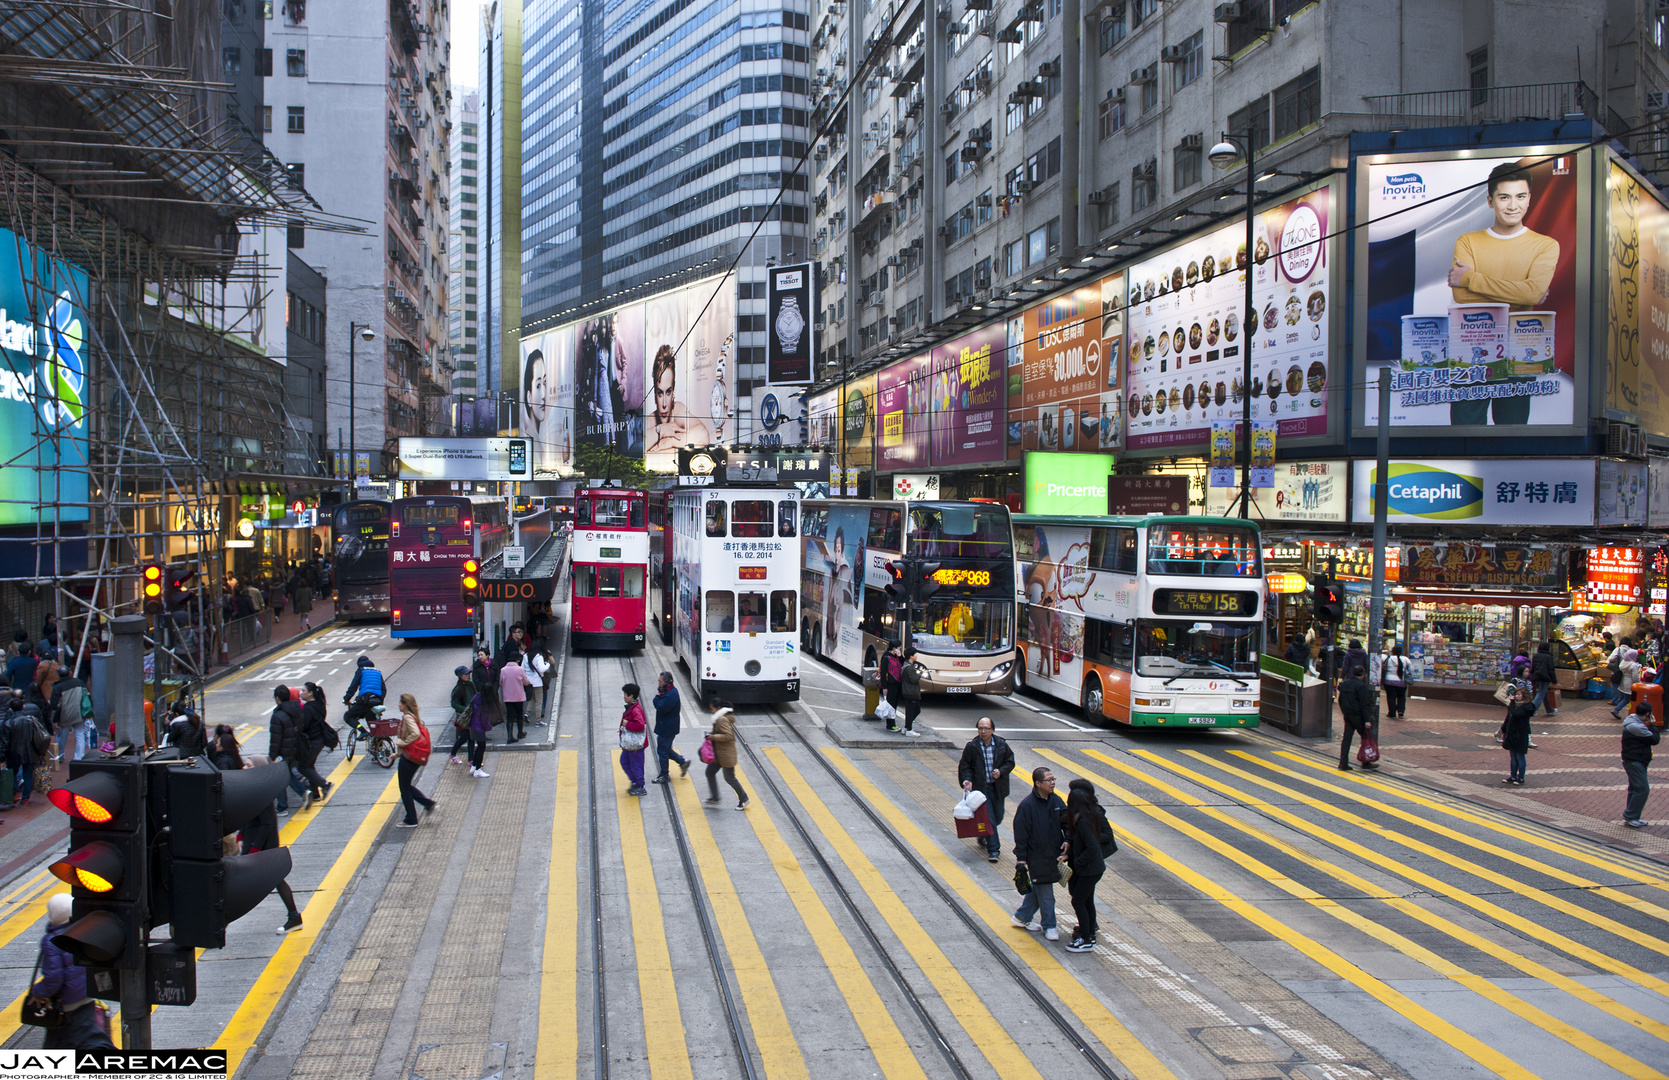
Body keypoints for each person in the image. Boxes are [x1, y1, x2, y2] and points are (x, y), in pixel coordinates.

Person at [1447, 161, 1560, 426]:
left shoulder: (1545, 245)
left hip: (1520, 347)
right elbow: (1462, 297)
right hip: (1471, 344)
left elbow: (1533, 293)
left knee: (1512, 432)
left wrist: (1471, 279)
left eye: (1520, 196)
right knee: (1464, 432)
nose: (1513, 205)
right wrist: (1521, 293)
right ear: (1490, 201)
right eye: (1504, 197)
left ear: (1529, 199)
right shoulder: (1468, 241)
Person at [32, 893, 114, 1051]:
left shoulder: (52, 941)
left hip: (70, 1001)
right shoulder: (83, 931)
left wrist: (38, 992)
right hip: (87, 994)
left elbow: (54, 979)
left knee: (88, 1042)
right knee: (60, 1042)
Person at [236, 760, 305, 935]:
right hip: (255, 844)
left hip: (263, 845)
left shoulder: (261, 792)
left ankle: (295, 916)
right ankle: (294, 916)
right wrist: (240, 835)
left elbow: (266, 823)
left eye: (249, 765)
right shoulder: (251, 788)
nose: (244, 767)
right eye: (245, 764)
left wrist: (255, 849)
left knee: (272, 880)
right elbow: (246, 814)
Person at [1011, 766, 1067, 941]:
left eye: (1053, 779)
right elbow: (1021, 834)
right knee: (1046, 893)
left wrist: (1068, 840)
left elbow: (1067, 822)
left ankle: (1022, 917)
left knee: (1039, 887)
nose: (1052, 783)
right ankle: (1049, 926)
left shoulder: (1056, 801)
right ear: (1038, 783)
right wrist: (1021, 859)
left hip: (1053, 855)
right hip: (1037, 856)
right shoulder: (1027, 806)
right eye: (1049, 780)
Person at [1064, 778, 1115, 953]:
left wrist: (1078, 861)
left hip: (1089, 869)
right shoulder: (1087, 816)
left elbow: (1092, 846)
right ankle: (1090, 932)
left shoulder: (1084, 821)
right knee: (1085, 900)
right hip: (1092, 869)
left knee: (1078, 901)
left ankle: (1086, 939)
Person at [958, 716, 1015, 862]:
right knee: (989, 819)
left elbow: (1010, 761)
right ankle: (994, 850)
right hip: (981, 790)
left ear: (992, 730)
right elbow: (965, 766)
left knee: (998, 817)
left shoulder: (1001, 744)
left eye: (986, 728)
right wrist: (967, 780)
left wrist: (1001, 771)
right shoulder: (973, 746)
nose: (983, 731)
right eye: (980, 728)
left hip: (997, 788)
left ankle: (983, 834)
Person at [393, 693, 437, 827]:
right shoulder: (413, 717)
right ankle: (427, 805)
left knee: (404, 787)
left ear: (406, 705)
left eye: (400, 703)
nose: (398, 705)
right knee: (406, 786)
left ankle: (411, 819)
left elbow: (415, 734)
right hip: (412, 756)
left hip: (409, 757)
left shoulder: (407, 718)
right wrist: (396, 755)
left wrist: (402, 743)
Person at [268, 685, 307, 816]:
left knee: (279, 778)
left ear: (277, 698)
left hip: (282, 752)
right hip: (294, 749)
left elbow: (275, 739)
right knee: (288, 775)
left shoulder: (277, 715)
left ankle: (282, 807)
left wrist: (272, 756)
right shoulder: (296, 710)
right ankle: (304, 792)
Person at [703, 698, 748, 810]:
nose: (711, 711)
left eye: (712, 709)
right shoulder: (720, 718)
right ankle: (715, 797)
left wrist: (713, 737)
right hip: (719, 754)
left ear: (718, 708)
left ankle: (744, 798)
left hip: (726, 755)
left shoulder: (722, 720)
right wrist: (712, 734)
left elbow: (729, 736)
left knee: (730, 778)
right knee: (710, 772)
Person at [1623, 701, 1661, 828]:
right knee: (1642, 789)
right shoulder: (1638, 727)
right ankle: (1630, 816)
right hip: (1634, 761)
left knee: (1635, 788)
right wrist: (1653, 725)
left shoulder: (1632, 720)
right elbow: (1655, 739)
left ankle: (1633, 816)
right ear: (1648, 714)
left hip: (1637, 760)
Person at [295, 682, 334, 809]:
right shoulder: (320, 704)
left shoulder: (307, 708)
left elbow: (303, 726)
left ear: (310, 693)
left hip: (312, 741)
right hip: (320, 739)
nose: (301, 693)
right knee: (309, 765)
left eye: (303, 690)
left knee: (302, 767)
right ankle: (316, 794)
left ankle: (325, 784)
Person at [651, 671, 689, 784]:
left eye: (660, 681)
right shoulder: (667, 691)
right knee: (666, 749)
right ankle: (682, 762)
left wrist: (657, 698)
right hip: (666, 726)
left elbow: (661, 707)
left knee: (662, 750)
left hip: (667, 728)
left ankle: (664, 775)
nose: (658, 684)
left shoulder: (670, 694)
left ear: (667, 682)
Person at [1337, 664, 1377, 771]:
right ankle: (1366, 761)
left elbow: (1340, 699)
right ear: (1363, 674)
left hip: (1348, 715)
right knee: (1365, 737)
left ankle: (1343, 763)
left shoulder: (1345, 684)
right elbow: (1363, 705)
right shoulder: (1361, 686)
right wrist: (1367, 720)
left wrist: (1344, 712)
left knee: (1346, 738)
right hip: (1357, 715)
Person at [342, 655, 386, 737]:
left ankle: (363, 731)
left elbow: (353, 687)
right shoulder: (378, 672)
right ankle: (378, 745)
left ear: (359, 663)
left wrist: (346, 698)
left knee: (348, 716)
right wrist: (380, 702)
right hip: (376, 701)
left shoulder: (361, 670)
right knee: (371, 722)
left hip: (365, 700)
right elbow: (383, 690)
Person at [1500, 684, 1535, 786]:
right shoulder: (1514, 705)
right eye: (1516, 694)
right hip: (1512, 734)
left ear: (1524, 695)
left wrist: (1511, 703)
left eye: (1519, 694)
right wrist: (1503, 729)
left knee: (1520, 756)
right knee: (1513, 757)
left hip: (1520, 735)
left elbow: (1516, 714)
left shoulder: (1526, 707)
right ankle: (1513, 776)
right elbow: (1509, 718)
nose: (1517, 696)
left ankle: (1521, 778)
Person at [619, 683, 649, 796]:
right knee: (625, 761)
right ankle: (635, 781)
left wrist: (627, 724)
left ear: (632, 696)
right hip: (630, 744)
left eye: (626, 694)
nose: (624, 697)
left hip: (636, 744)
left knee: (636, 764)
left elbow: (640, 726)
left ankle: (640, 786)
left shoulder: (635, 710)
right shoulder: (632, 707)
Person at [499, 653, 532, 744]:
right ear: (517, 660)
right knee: (519, 714)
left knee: (510, 717)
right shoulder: (520, 669)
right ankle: (520, 733)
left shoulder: (503, 670)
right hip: (519, 696)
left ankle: (510, 736)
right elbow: (526, 682)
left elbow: (500, 683)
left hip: (507, 697)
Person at [448, 665, 474, 765]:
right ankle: (453, 753)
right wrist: (465, 710)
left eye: (468, 674)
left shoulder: (471, 685)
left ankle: (471, 760)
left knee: (472, 738)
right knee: (464, 738)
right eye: (465, 674)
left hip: (472, 715)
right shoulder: (458, 689)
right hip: (464, 718)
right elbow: (453, 704)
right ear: (460, 676)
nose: (468, 676)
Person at [471, 648, 502, 729]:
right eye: (479, 655)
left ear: (487, 655)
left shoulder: (494, 664)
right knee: (484, 711)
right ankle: (485, 727)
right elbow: (476, 680)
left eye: (482, 655)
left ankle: (494, 721)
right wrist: (484, 690)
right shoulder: (477, 666)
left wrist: (494, 689)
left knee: (494, 708)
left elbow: (497, 677)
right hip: (483, 692)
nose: (480, 657)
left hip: (493, 691)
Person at [1612, 638, 1641, 719]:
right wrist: (1639, 683)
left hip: (1623, 683)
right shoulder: (1633, 665)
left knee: (1624, 697)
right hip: (1630, 684)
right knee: (1627, 699)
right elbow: (1635, 677)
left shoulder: (1623, 663)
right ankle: (1616, 710)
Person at [466, 688, 492, 778]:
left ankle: (474, 766)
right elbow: (484, 720)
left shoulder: (476, 697)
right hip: (479, 728)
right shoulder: (484, 704)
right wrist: (489, 727)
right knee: (481, 747)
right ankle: (478, 770)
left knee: (478, 747)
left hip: (472, 726)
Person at [1381, 644, 1411, 720]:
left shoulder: (1388, 658)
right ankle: (1401, 711)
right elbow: (1410, 669)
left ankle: (1392, 712)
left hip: (1389, 681)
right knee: (1401, 697)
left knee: (1391, 697)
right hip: (1401, 682)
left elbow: (1380, 657)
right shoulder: (1405, 659)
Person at [898, 646, 923, 737]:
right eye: (915, 654)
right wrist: (920, 673)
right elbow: (914, 679)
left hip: (909, 692)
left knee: (913, 711)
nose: (916, 655)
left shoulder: (907, 665)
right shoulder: (909, 668)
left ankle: (907, 727)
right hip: (911, 692)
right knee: (913, 711)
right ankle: (909, 729)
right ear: (911, 656)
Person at [527, 641, 553, 726]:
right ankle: (537, 721)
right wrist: (547, 665)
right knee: (539, 702)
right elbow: (542, 669)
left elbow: (523, 668)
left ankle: (527, 713)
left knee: (533, 698)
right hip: (537, 682)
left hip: (529, 681)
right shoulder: (539, 657)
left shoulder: (525, 656)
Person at [1531, 641, 1560, 716]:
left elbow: (1533, 668)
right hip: (1545, 677)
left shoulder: (1536, 656)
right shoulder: (1548, 657)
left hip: (1537, 677)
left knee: (1544, 693)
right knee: (1541, 693)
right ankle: (1532, 709)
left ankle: (1549, 709)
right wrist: (1554, 680)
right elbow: (1551, 669)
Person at [880, 642, 903, 731]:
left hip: (898, 684)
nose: (900, 649)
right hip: (890, 685)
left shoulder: (898, 657)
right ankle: (890, 724)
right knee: (891, 705)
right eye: (899, 648)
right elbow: (883, 673)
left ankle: (892, 723)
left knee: (895, 704)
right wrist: (884, 687)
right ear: (894, 648)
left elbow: (903, 663)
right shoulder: (886, 658)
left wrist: (900, 656)